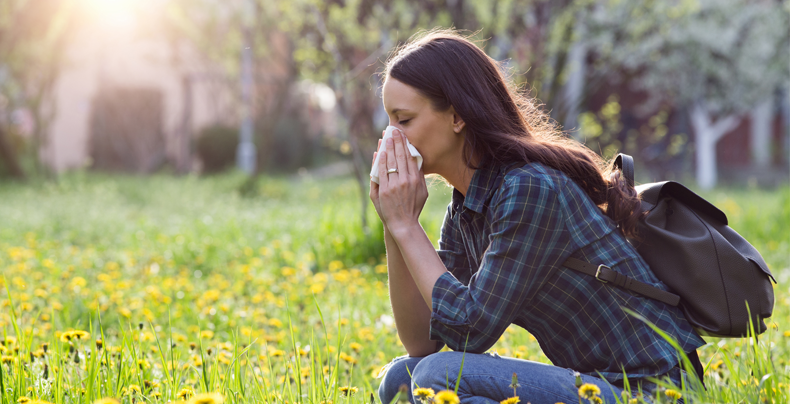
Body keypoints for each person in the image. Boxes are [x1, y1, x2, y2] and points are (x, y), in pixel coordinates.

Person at [369, 29, 705, 404]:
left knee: (437, 377)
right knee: (401, 378)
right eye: (389, 122)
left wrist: (407, 226)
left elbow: (470, 331)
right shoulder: (467, 208)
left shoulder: (528, 188)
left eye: (404, 120)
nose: (390, 139)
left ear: (457, 116)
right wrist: (394, 227)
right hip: (592, 384)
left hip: (653, 391)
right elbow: (422, 342)